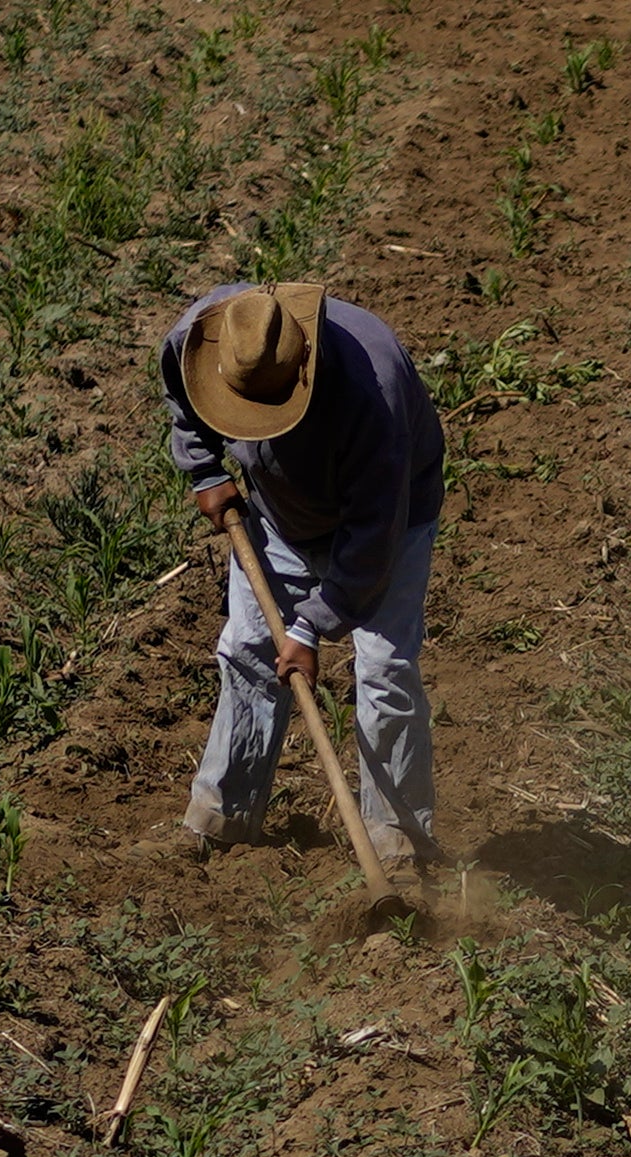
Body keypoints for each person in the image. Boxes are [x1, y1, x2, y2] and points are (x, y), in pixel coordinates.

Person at [156, 281, 446, 867]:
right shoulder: (205, 336)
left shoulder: (374, 390)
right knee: (246, 647)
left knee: (385, 668)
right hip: (278, 511)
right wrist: (204, 472)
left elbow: (373, 537)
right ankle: (223, 814)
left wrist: (312, 626)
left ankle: (399, 843)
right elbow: (182, 402)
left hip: (388, 519)